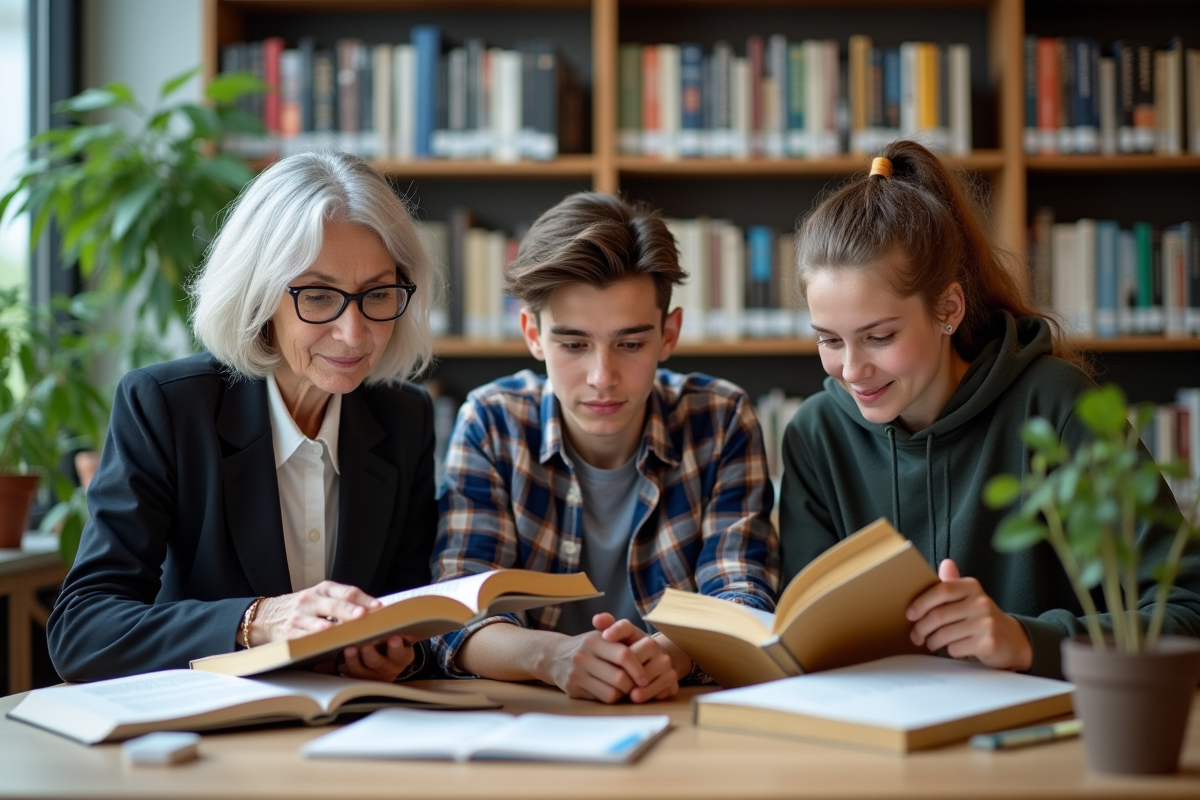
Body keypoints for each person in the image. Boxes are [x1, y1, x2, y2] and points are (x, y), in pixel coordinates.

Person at [778, 139, 1200, 679]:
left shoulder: (1056, 405)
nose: (853, 369)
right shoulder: (816, 435)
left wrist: (1027, 639)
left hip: (1049, 744)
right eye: (828, 340)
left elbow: (1188, 614)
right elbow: (808, 636)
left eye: (879, 336)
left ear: (948, 309)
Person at [47, 151, 440, 682]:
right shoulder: (167, 407)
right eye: (319, 296)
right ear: (259, 295)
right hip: (204, 741)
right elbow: (82, 631)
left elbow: (408, 611)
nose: (353, 333)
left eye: (376, 294)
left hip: (347, 731)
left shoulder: (404, 418)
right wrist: (256, 620)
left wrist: (400, 654)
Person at [431, 192, 779, 703]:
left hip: (677, 712)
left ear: (669, 334)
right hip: (532, 720)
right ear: (532, 334)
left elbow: (743, 593)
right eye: (573, 345)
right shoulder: (492, 422)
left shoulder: (721, 419)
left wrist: (670, 653)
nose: (602, 377)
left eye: (631, 344)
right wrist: (552, 656)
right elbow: (457, 612)